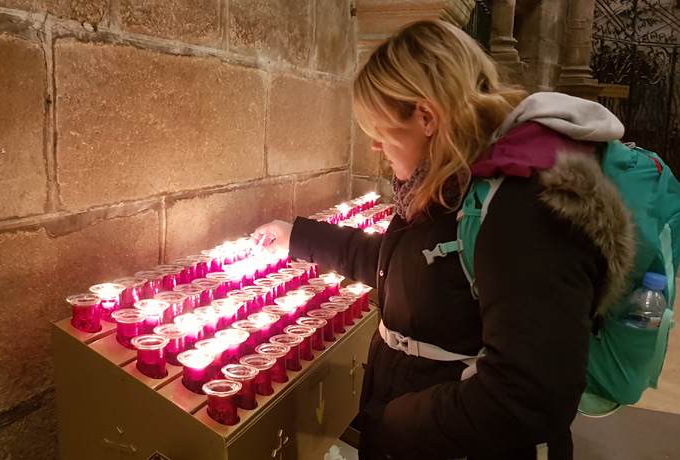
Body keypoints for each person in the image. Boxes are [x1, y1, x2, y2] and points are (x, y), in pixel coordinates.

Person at [253, 20, 634, 460]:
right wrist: (297, 237)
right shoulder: (455, 182)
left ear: (427, 117)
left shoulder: (523, 209)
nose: (375, 145)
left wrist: (399, 421)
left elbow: (529, 395)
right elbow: (406, 266)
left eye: (379, 128)